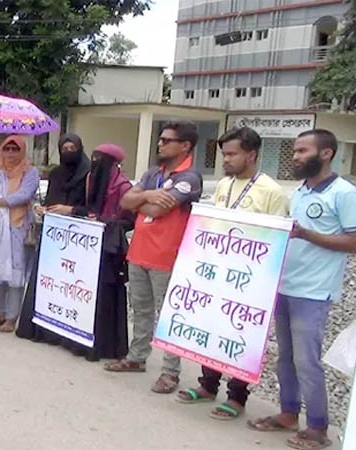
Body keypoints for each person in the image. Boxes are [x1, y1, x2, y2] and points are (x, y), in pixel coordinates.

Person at [247, 129, 356, 450]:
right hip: (286, 285)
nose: (295, 156)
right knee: (285, 357)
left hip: (314, 291)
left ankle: (318, 428)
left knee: (306, 360)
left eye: (302, 151)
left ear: (326, 154)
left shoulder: (344, 194)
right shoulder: (299, 192)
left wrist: (307, 235)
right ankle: (287, 412)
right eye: (294, 151)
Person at [175, 127, 289, 419]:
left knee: (240, 334)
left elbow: (274, 238)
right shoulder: (224, 185)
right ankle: (208, 385)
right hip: (218, 272)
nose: (225, 159)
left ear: (251, 155)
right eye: (223, 154)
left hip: (250, 278)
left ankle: (237, 397)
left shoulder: (271, 191)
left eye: (231, 154)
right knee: (213, 326)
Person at [105, 121, 203, 395]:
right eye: (160, 139)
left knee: (170, 315)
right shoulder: (153, 174)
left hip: (167, 255)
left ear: (185, 146)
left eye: (167, 140)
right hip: (140, 251)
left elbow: (159, 210)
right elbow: (125, 201)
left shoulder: (190, 178)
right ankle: (137, 356)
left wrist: (141, 200)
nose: (160, 144)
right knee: (141, 309)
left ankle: (170, 372)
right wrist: (147, 195)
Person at [16, 133, 91, 343]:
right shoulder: (57, 173)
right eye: (64, 149)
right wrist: (44, 209)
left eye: (72, 149)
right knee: (50, 282)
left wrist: (71, 210)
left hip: (79, 239)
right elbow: (51, 199)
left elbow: (93, 208)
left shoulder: (88, 174)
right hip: (53, 235)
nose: (68, 153)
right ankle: (45, 330)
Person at [0, 135, 40, 332]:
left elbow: (24, 195)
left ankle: (12, 317)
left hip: (17, 225)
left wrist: (0, 202)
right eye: (7, 149)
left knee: (15, 272)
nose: (11, 153)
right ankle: (0, 312)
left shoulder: (30, 171)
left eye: (15, 149)